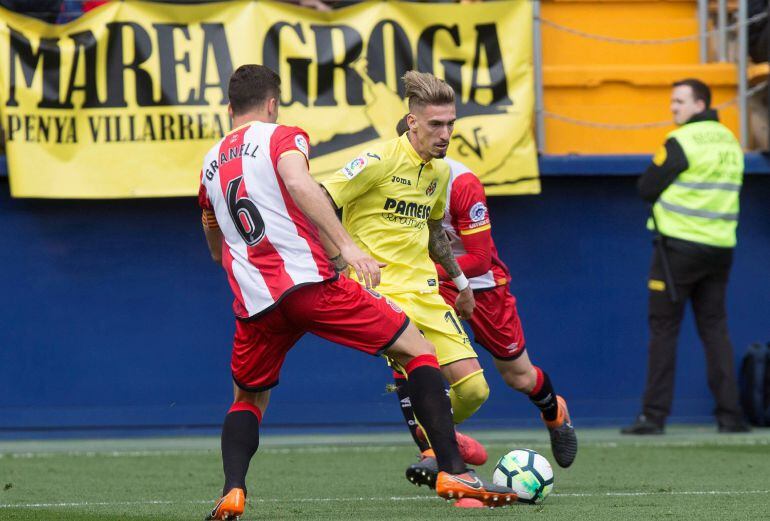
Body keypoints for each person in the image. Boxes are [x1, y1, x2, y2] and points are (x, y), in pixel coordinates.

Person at [198, 64, 517, 519]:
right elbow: (298, 181)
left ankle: (233, 491)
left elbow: (213, 242)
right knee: (418, 350)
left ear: (229, 109)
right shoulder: (282, 136)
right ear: (272, 104)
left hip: (254, 303)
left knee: (247, 399)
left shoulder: (210, 164)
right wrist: (345, 248)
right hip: (309, 284)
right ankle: (452, 469)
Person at [320, 71, 499, 488]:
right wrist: (339, 255)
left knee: (475, 390)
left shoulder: (438, 174)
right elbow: (321, 199)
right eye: (436, 124)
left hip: (428, 291)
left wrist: (462, 282)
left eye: (451, 123)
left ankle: (436, 437)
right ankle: (450, 463)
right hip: (382, 293)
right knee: (424, 369)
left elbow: (436, 232)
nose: (445, 133)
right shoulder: (377, 161)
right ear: (412, 121)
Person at [386, 115, 577, 478]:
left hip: (481, 284)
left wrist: (434, 273)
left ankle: (554, 412)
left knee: (518, 376)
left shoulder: (461, 183)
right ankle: (436, 447)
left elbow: (479, 259)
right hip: (427, 283)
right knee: (409, 352)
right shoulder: (390, 178)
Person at [622, 78, 749, 435]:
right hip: (721, 248)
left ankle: (653, 416)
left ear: (700, 104)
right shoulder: (730, 141)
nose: (673, 107)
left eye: (679, 101)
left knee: (664, 330)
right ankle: (730, 416)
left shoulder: (682, 140)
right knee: (715, 330)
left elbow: (646, 187)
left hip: (677, 250)